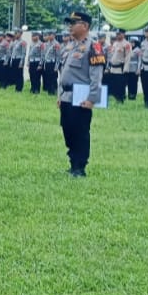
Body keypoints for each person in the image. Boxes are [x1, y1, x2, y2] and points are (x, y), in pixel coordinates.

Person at [57, 11, 105, 178]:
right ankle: (73, 163)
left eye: (74, 22)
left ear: (84, 26)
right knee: (68, 131)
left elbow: (96, 76)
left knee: (80, 132)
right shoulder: (70, 46)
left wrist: (92, 99)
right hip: (66, 97)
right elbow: (63, 72)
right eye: (69, 22)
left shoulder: (93, 46)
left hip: (81, 98)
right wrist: (60, 95)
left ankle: (80, 167)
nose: (70, 26)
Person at [105, 29, 132, 103]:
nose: (117, 35)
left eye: (119, 34)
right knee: (113, 85)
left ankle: (120, 99)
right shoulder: (115, 43)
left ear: (123, 34)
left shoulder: (126, 44)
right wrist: (108, 67)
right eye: (116, 34)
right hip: (113, 67)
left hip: (120, 69)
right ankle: (116, 98)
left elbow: (128, 57)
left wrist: (125, 70)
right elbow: (111, 56)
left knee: (120, 85)